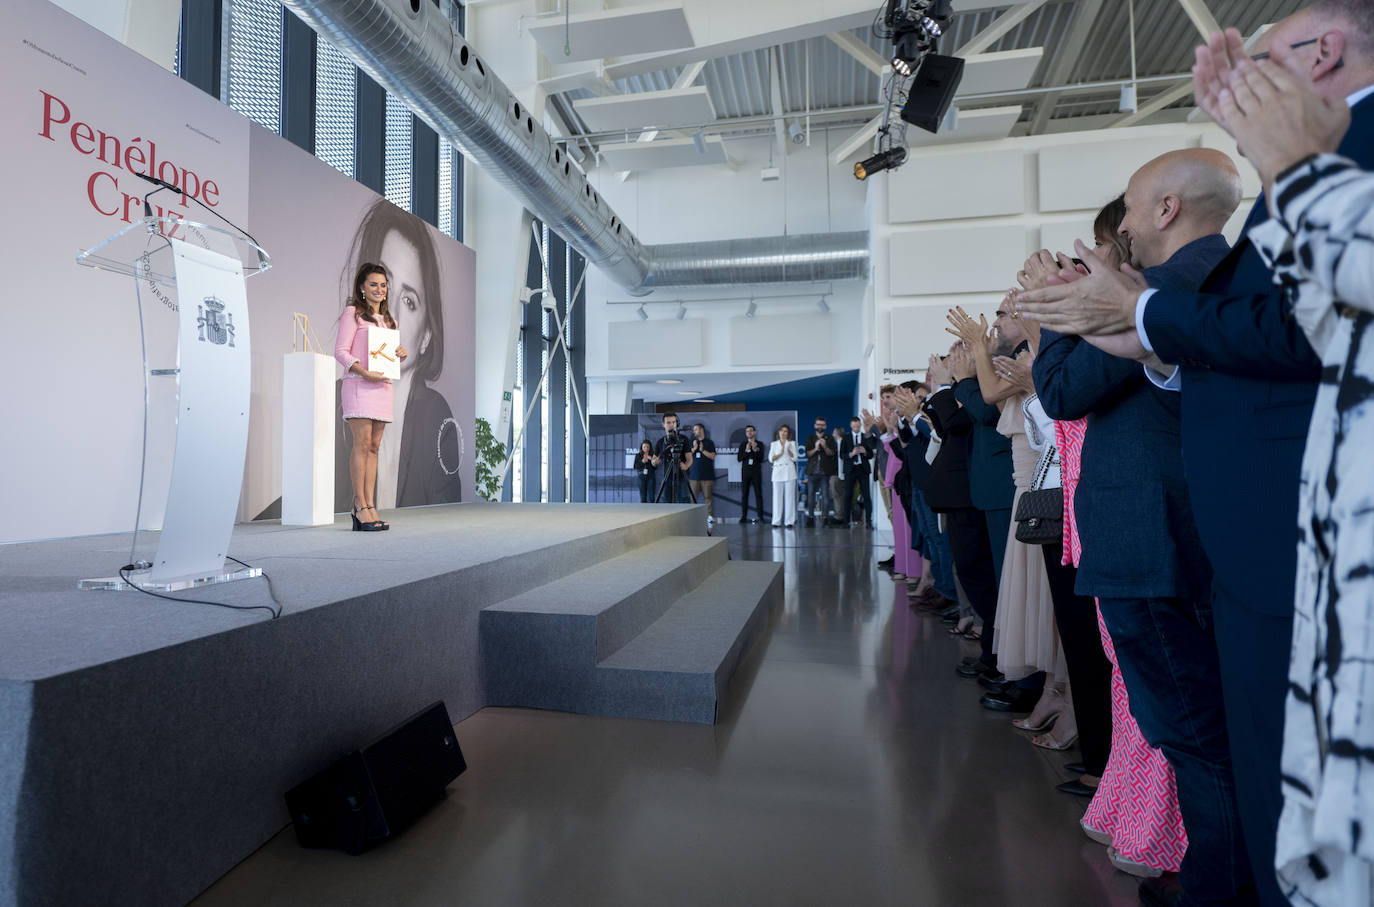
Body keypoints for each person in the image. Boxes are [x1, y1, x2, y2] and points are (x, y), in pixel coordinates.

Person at [1016, 7, 1374, 901]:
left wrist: (1123, 315)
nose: (1124, 227)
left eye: (1253, 62)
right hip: (1235, 542)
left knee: (1213, 750)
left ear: (1322, 51)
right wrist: (1125, 323)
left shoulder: (1212, 254)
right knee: (1235, 758)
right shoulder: (1263, 218)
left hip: (1229, 545)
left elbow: (1067, 387)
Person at [1032, 148, 1249, 905]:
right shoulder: (1217, 280)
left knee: (1197, 741)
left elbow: (1060, 388)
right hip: (1188, 539)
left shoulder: (1166, 288)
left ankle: (1216, 887)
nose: (1119, 226)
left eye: (1129, 207)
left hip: (1153, 542)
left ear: (1166, 211)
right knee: (1209, 738)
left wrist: (1061, 305)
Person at [1194, 27, 1374, 904]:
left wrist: (1144, 319)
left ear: (1327, 50)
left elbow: (1300, 322)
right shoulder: (1305, 167)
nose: (1237, 84)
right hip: (1292, 533)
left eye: (1258, 62)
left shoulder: (1334, 156)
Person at [334, 199, 461, 514]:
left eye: (410, 299)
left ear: (426, 338)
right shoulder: (334, 403)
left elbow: (449, 521)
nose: (391, 307)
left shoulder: (436, 416)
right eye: (384, 287)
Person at [923, 349, 1002, 678]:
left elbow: (957, 424)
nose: (952, 361)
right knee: (971, 572)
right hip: (961, 495)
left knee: (979, 573)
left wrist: (945, 387)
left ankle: (997, 656)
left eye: (960, 353)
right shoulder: (966, 390)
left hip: (972, 493)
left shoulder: (980, 386)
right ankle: (991, 654)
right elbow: (945, 426)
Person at [334, 262, 408, 531]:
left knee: (375, 447)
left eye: (383, 285)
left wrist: (400, 353)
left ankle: (370, 505)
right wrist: (365, 372)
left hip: (382, 387)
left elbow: (386, 356)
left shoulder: (390, 321)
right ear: (362, 288)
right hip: (358, 385)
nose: (379, 289)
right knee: (362, 443)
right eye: (374, 284)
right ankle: (359, 504)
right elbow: (341, 351)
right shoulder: (352, 314)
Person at [839, 417, 874, 527]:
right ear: (851, 426)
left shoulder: (865, 437)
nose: (856, 428)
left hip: (863, 469)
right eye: (854, 426)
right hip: (850, 470)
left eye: (858, 426)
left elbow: (871, 455)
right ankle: (846, 521)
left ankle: (868, 522)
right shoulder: (846, 438)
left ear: (861, 425)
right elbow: (841, 455)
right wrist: (851, 454)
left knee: (866, 495)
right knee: (848, 495)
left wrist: (865, 452)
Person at [804, 418, 839, 527]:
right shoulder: (810, 438)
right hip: (812, 472)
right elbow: (808, 454)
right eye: (818, 424)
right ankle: (810, 518)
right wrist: (815, 448)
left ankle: (825, 518)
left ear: (825, 427)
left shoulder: (830, 438)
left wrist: (824, 446)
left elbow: (832, 453)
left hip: (825, 473)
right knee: (810, 496)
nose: (820, 426)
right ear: (815, 425)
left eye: (822, 425)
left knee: (825, 496)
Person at [654, 412, 692, 504]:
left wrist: (686, 466)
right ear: (663, 424)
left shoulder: (684, 439)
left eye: (673, 422)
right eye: (668, 422)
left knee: (684, 502)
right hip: (667, 477)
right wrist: (654, 461)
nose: (671, 425)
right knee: (667, 503)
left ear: (677, 423)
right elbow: (654, 460)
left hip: (682, 477)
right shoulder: (660, 442)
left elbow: (689, 458)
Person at [686, 422, 717, 523]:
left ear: (701, 430)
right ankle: (692, 517)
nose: (694, 432)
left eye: (695, 429)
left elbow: (712, 456)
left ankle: (710, 516)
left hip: (707, 476)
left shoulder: (709, 442)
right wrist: (694, 449)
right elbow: (687, 457)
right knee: (692, 498)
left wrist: (702, 450)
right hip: (694, 476)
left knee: (708, 498)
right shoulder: (691, 442)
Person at [769, 425, 798, 528]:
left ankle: (789, 521)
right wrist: (781, 452)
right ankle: (776, 521)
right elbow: (771, 458)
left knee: (789, 498)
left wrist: (789, 451)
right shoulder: (774, 444)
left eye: (785, 431)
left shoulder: (792, 443)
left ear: (788, 433)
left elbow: (795, 458)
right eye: (781, 431)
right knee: (777, 498)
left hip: (789, 472)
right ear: (779, 432)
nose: (783, 433)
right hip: (777, 472)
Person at [736, 424, 766, 523]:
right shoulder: (743, 444)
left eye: (751, 431)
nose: (749, 432)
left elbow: (761, 459)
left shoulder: (760, 444)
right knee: (744, 494)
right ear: (746, 433)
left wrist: (755, 449)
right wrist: (747, 450)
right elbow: (739, 459)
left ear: (754, 432)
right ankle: (743, 516)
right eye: (747, 431)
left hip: (756, 472)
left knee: (758, 494)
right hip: (745, 472)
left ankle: (760, 516)